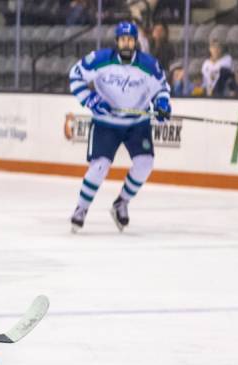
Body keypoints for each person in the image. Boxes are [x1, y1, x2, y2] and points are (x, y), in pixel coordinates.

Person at [68, 21, 171, 232]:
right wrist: (91, 100)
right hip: (106, 123)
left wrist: (161, 103)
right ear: (117, 41)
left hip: (137, 124)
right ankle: (81, 208)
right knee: (100, 166)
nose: (127, 43)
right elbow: (75, 76)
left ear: (135, 42)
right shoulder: (100, 59)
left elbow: (161, 87)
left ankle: (121, 203)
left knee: (145, 164)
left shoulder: (148, 64)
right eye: (123, 39)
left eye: (130, 39)